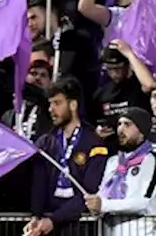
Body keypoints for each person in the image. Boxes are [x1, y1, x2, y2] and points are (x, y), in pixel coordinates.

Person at [28, 78, 109, 236]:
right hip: (48, 224)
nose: (51, 109)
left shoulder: (93, 143)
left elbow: (89, 191)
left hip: (80, 224)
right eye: (50, 103)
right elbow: (39, 184)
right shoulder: (45, 142)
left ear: (73, 105)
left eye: (57, 103)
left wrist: (55, 219)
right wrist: (35, 216)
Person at [86, 109, 156, 236]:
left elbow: (145, 202)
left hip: (140, 231)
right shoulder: (113, 161)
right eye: (119, 124)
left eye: (127, 125)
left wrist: (104, 205)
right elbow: (103, 194)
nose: (121, 130)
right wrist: (94, 202)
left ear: (142, 132)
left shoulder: (152, 160)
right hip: (109, 230)